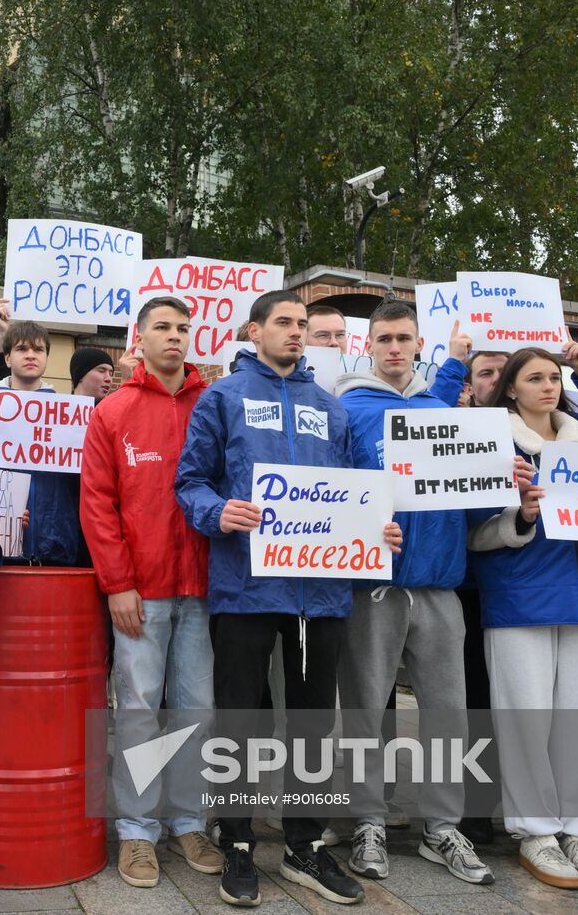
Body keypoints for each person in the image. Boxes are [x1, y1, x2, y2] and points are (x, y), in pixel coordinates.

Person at [177, 290, 403, 907]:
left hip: (319, 594)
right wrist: (218, 510)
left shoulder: (328, 407)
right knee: (241, 721)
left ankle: (305, 845)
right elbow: (189, 482)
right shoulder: (221, 398)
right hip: (247, 588)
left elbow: (356, 492)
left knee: (309, 723)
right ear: (255, 330)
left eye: (304, 325)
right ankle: (239, 843)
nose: (297, 333)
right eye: (284, 322)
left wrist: (377, 530)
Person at [332, 301, 492, 886]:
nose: (394, 348)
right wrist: (362, 528)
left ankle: (442, 827)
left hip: (439, 584)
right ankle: (368, 821)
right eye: (384, 339)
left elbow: (476, 500)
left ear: (418, 344)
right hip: (372, 586)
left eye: (404, 338)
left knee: (448, 713)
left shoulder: (444, 411)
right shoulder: (348, 409)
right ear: (368, 345)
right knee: (365, 713)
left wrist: (510, 485)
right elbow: (330, 494)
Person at [467, 346, 578, 889]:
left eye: (553, 377)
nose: (548, 386)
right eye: (534, 377)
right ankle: (535, 832)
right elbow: (474, 532)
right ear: (511, 387)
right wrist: (521, 514)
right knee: (526, 718)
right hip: (521, 596)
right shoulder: (493, 441)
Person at [81, 296, 221, 889]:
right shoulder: (113, 411)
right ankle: (138, 834)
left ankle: (190, 821)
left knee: (197, 713)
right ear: (138, 339)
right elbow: (98, 506)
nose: (175, 336)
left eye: (183, 328)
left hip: (207, 588)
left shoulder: (215, 406)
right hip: (141, 590)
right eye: (162, 327)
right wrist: (118, 584)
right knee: (138, 714)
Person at [0, 308, 86, 565]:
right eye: (21, 349)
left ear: (47, 358)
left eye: (38, 350)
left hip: (54, 541)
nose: (30, 355)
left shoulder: (70, 414)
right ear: (7, 358)